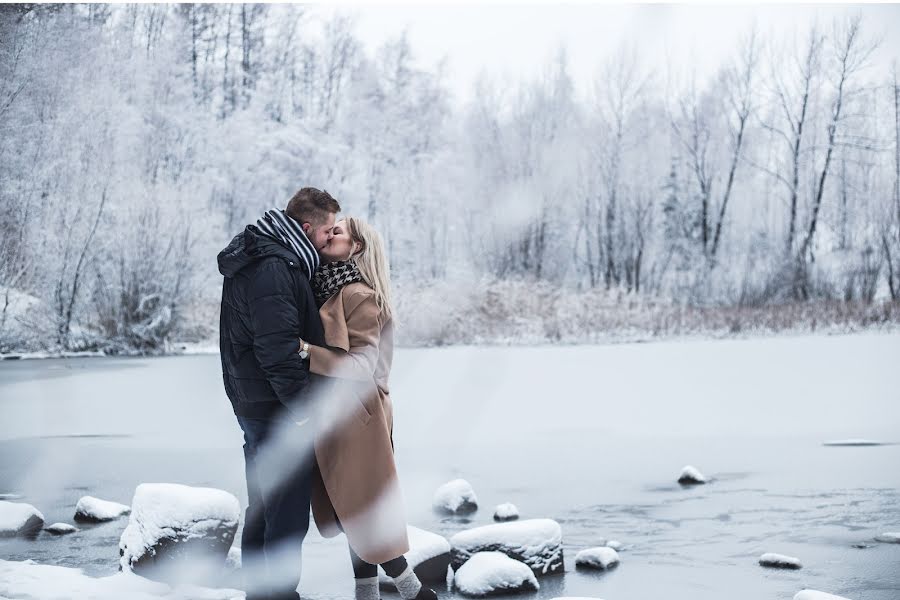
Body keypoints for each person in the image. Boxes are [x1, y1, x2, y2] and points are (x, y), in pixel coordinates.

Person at [299, 217, 438, 600]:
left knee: (358, 511)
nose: (329, 234)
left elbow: (362, 366)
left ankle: (416, 593)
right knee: (351, 508)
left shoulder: (358, 295)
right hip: (342, 415)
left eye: (338, 231)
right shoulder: (330, 289)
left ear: (356, 248)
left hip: (360, 417)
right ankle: (374, 595)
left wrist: (306, 351)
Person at [217, 187, 340, 600]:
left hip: (255, 400)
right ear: (307, 229)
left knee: (265, 505)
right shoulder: (275, 266)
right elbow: (277, 346)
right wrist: (304, 409)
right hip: (276, 406)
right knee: (285, 513)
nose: (331, 239)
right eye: (327, 232)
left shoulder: (266, 257)